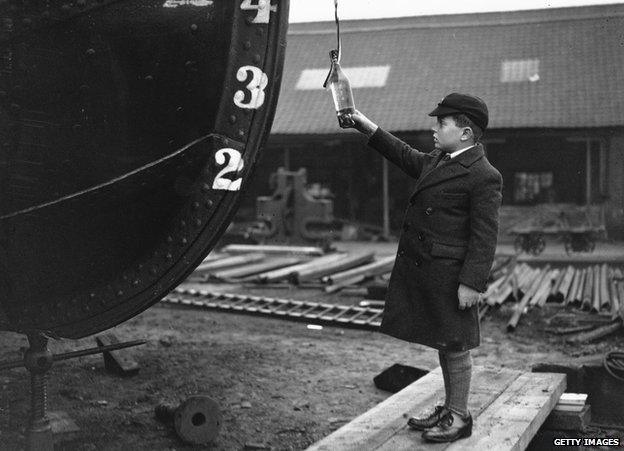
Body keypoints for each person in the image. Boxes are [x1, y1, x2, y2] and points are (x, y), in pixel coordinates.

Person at [342, 93, 502, 443]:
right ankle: (450, 408)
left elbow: (485, 235)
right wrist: (362, 123)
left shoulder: (483, 175)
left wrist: (472, 283)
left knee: (456, 344)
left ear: (465, 134)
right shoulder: (439, 160)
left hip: (453, 276)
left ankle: (460, 417)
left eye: (441, 123)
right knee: (445, 342)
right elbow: (401, 153)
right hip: (432, 274)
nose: (434, 128)